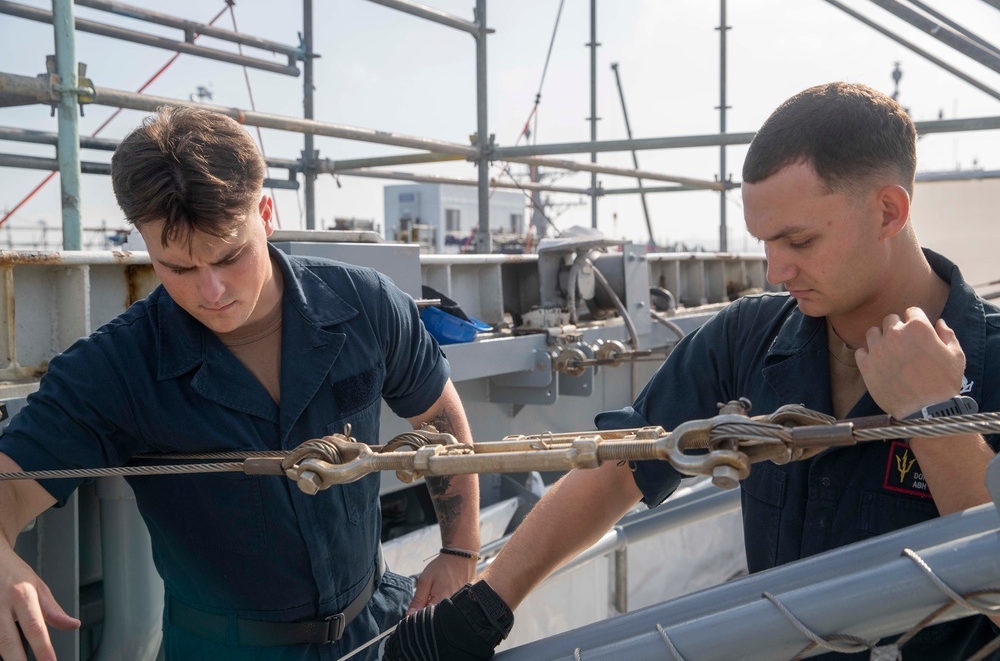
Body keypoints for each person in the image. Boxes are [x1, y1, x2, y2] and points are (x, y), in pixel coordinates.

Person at [384, 82, 1000, 660]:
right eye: (764, 243)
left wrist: (934, 420)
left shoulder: (992, 363)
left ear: (889, 211)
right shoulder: (750, 336)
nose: (775, 270)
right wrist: (487, 603)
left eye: (799, 241)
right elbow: (623, 463)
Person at [0, 106, 481, 661]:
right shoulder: (115, 369)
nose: (211, 290)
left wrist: (461, 550)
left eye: (230, 256)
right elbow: (12, 484)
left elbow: (439, 418)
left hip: (375, 631)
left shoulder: (365, 305)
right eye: (176, 268)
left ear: (266, 212)